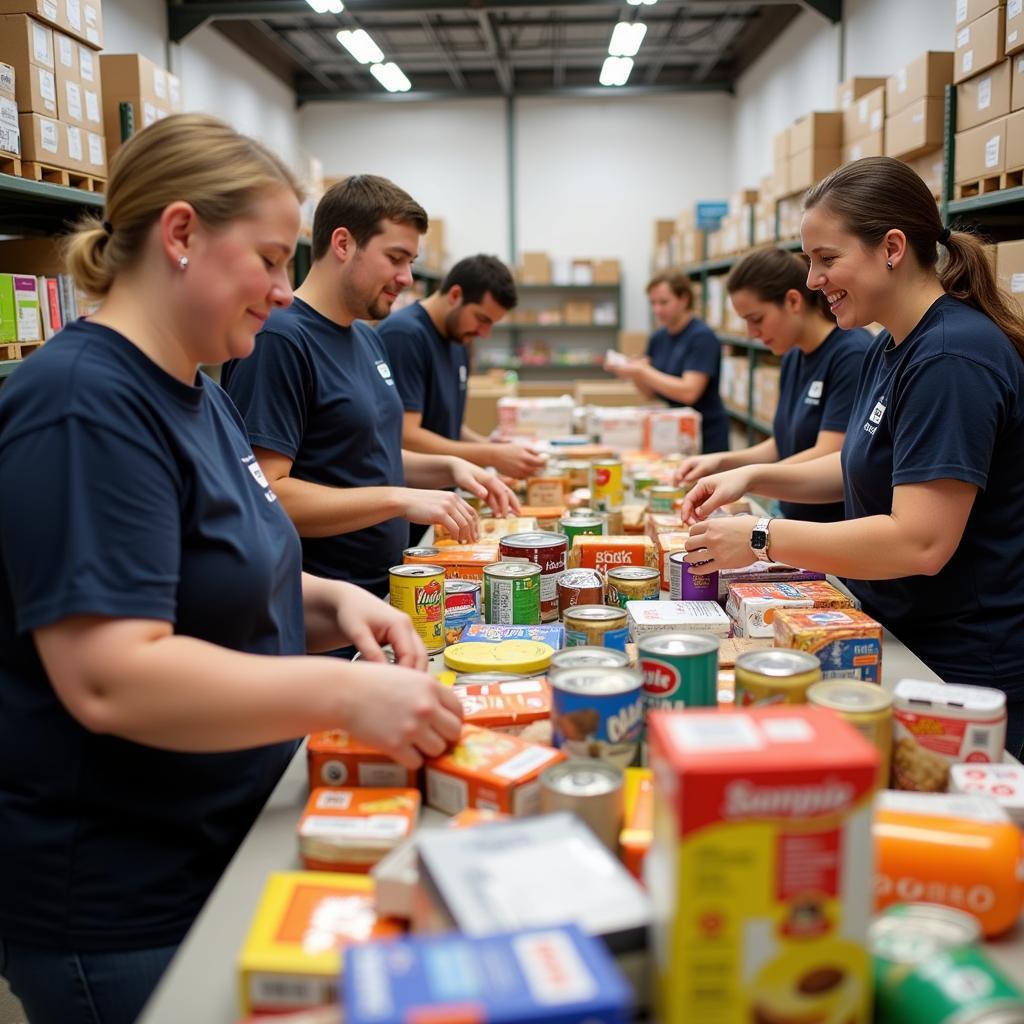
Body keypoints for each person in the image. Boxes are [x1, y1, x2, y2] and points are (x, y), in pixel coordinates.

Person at [0, 115, 462, 1024]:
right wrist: (342, 698)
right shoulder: (82, 404)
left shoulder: (198, 391)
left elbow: (214, 569)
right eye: (269, 260)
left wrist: (334, 606)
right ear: (180, 235)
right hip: (123, 901)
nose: (286, 294)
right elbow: (111, 675)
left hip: (220, 840)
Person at [681, 156, 1024, 756]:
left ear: (892, 247)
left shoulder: (950, 360)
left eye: (826, 259)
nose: (812, 281)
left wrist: (761, 537)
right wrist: (750, 476)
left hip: (960, 671)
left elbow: (920, 541)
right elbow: (856, 468)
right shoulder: (889, 347)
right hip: (898, 635)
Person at [222, 176, 518, 600]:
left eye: (411, 261)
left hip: (386, 588)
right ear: (343, 244)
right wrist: (399, 499)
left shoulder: (364, 337)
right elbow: (267, 492)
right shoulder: (281, 340)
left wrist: (449, 467)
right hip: (324, 608)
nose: (406, 278)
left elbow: (363, 454)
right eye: (396, 258)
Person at [674, 248, 871, 522]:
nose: (751, 334)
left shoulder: (852, 354)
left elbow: (829, 453)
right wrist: (720, 462)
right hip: (792, 517)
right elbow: (783, 443)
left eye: (757, 319)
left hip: (829, 525)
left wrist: (747, 480)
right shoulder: (793, 355)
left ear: (793, 301)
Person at [379, 254, 547, 480]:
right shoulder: (404, 336)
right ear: (455, 295)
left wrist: (493, 447)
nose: (484, 334)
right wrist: (491, 455)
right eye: (482, 319)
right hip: (412, 502)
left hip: (443, 497)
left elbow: (448, 427)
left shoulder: (458, 340)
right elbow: (407, 436)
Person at [605, 270, 730, 453]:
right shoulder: (658, 337)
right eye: (653, 303)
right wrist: (634, 373)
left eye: (663, 302)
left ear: (684, 299)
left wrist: (643, 372)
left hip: (705, 435)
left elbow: (689, 392)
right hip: (673, 431)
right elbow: (649, 393)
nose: (657, 310)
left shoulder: (702, 337)